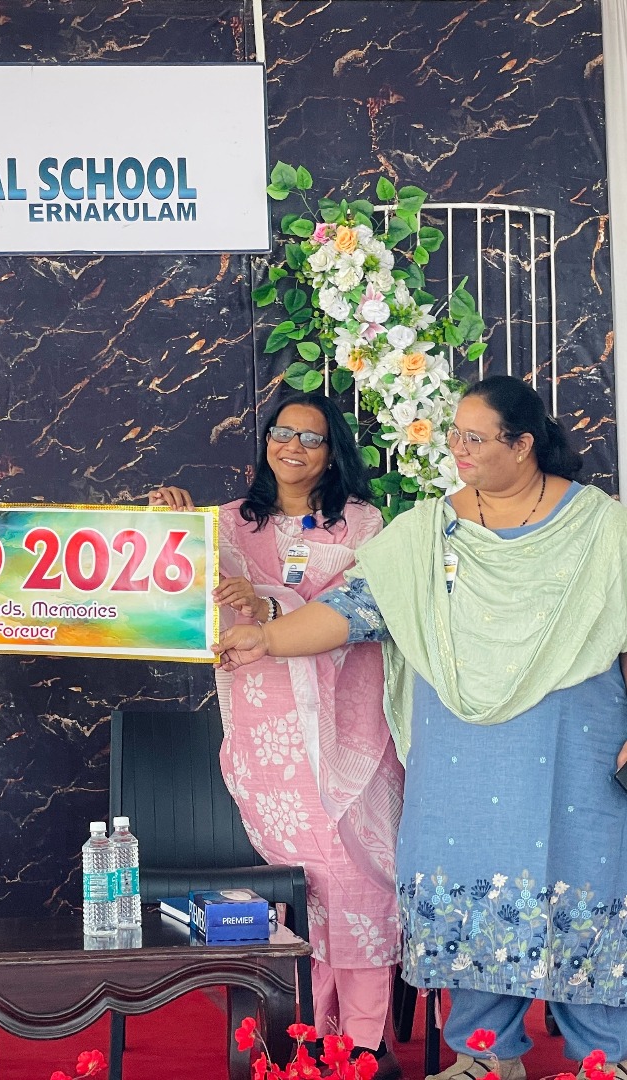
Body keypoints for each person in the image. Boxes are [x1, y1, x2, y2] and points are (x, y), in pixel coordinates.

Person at [215, 376, 627, 1080]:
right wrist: (270, 639)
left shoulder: (600, 527)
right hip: (459, 746)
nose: (457, 448)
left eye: (476, 437)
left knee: (583, 878)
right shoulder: (430, 530)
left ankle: (603, 1059)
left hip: (571, 740)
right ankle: (485, 1055)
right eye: (455, 434)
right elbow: (355, 607)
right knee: (469, 877)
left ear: (523, 445)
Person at [151, 393, 404, 1071]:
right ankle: (304, 1039)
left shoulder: (362, 523)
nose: (293, 447)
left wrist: (272, 603)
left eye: (311, 438)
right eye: (281, 433)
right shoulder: (230, 523)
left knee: (359, 878)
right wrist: (171, 526)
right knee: (300, 884)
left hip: (352, 731)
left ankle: (363, 1043)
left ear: (333, 452)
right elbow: (183, 596)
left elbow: (367, 614)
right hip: (271, 735)